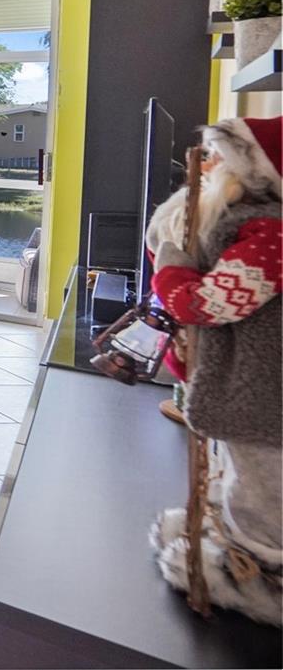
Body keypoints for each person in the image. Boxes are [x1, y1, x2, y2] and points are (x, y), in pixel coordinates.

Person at [144, 115, 281, 626]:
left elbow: (207, 303)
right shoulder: (249, 221)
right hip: (245, 385)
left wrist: (171, 267)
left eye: (223, 157)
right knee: (240, 474)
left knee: (264, 490)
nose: (211, 165)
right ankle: (226, 538)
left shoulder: (268, 233)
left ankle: (258, 575)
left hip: (262, 393)